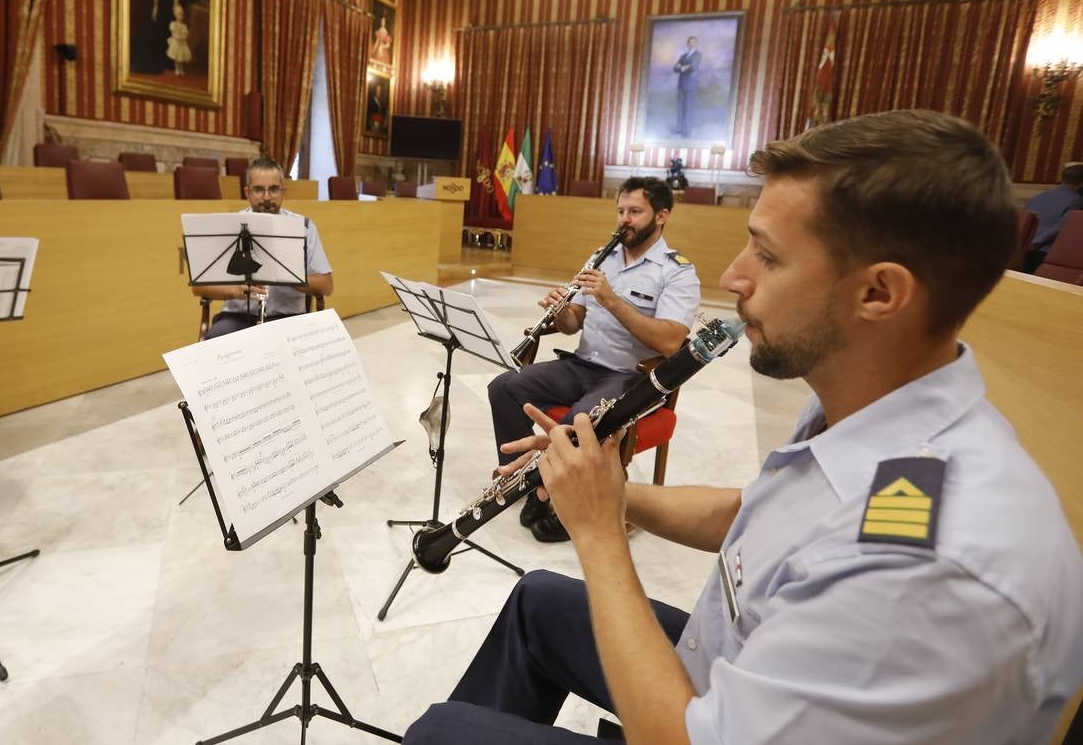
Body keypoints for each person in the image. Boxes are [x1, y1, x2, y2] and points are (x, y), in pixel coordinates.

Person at [406, 110, 1083, 744]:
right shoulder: (873, 410)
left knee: (440, 732)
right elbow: (751, 514)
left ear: (879, 293)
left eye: (768, 256)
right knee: (537, 602)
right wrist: (606, 489)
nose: (733, 276)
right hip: (733, 662)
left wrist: (597, 534)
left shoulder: (923, 572)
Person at [487, 176, 701, 543]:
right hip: (582, 365)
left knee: (578, 422)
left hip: (629, 377)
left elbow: (669, 342)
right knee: (504, 387)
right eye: (620, 210)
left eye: (635, 211)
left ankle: (568, 501)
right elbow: (573, 324)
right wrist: (559, 312)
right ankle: (527, 481)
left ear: (661, 216)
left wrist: (612, 299)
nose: (624, 219)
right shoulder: (602, 257)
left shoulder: (677, 272)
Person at [191, 158, 334, 338]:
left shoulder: (303, 227)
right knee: (215, 341)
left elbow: (327, 286)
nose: (266, 197)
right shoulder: (229, 226)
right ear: (247, 193)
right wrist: (236, 291)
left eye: (274, 189)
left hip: (288, 318)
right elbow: (199, 288)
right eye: (258, 189)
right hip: (238, 317)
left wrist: (287, 275)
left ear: (283, 192)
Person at [1023, 162, 1083, 273]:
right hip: (1047, 254)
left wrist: (1026, 244)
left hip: (1023, 250)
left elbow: (1024, 222)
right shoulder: (1078, 201)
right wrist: (1035, 244)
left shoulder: (1038, 197)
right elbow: (1062, 227)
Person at [672, 36, 701, 137]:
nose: (691, 44)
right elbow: (675, 68)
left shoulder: (697, 55)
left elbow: (692, 68)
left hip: (690, 85)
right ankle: (679, 128)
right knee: (680, 107)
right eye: (689, 42)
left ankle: (687, 131)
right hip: (681, 85)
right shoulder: (683, 56)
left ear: (695, 44)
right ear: (687, 44)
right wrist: (683, 68)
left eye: (693, 42)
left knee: (688, 108)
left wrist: (683, 68)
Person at [166, 2, 191, 76]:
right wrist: (177, 37)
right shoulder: (173, 24)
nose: (180, 17)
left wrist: (183, 37)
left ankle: (181, 69)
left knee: (181, 57)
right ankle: (177, 68)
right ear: (175, 15)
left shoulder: (184, 26)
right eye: (179, 15)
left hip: (182, 43)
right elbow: (173, 33)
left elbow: (186, 34)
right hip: (176, 42)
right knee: (177, 57)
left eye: (181, 15)